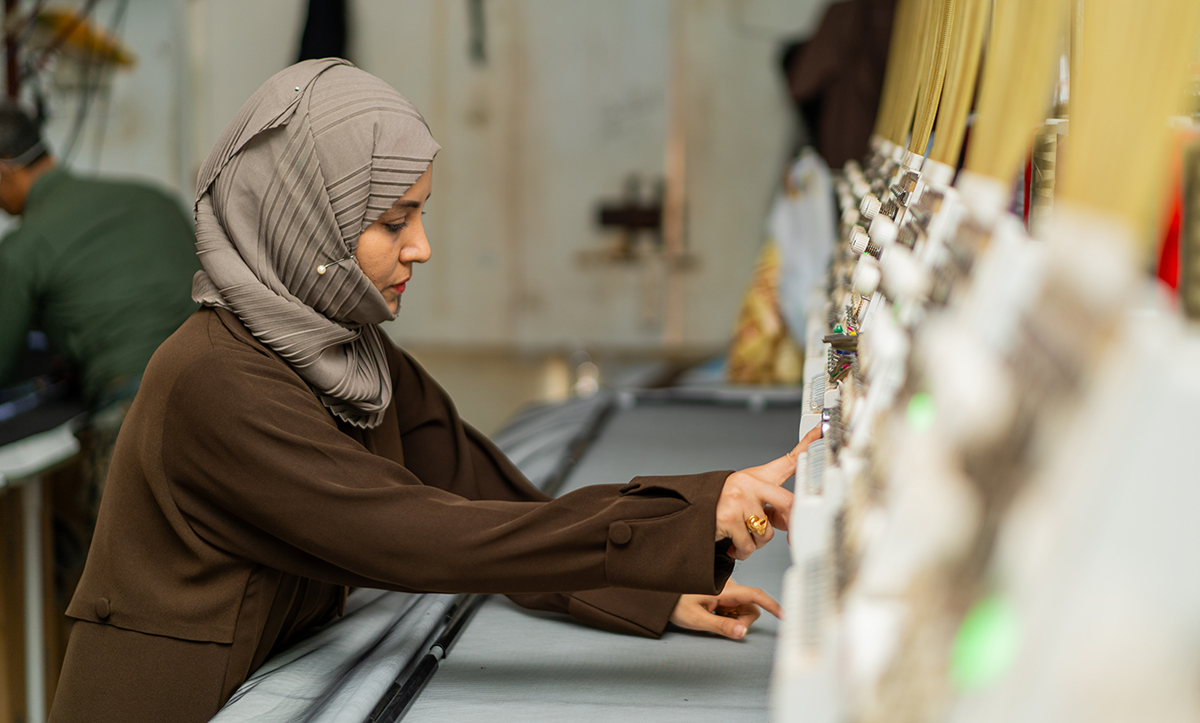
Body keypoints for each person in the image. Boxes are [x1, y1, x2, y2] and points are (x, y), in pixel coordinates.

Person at [48, 59, 818, 723]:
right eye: (392, 220)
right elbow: (425, 535)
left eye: (420, 214)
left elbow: (484, 496)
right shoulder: (216, 381)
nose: (421, 247)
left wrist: (653, 586)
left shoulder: (344, 351)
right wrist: (677, 519)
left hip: (271, 682)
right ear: (304, 221)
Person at [0, 105, 201, 597]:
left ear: (4, 171)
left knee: (129, 599)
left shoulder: (26, 246)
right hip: (241, 395)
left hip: (140, 417)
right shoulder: (153, 199)